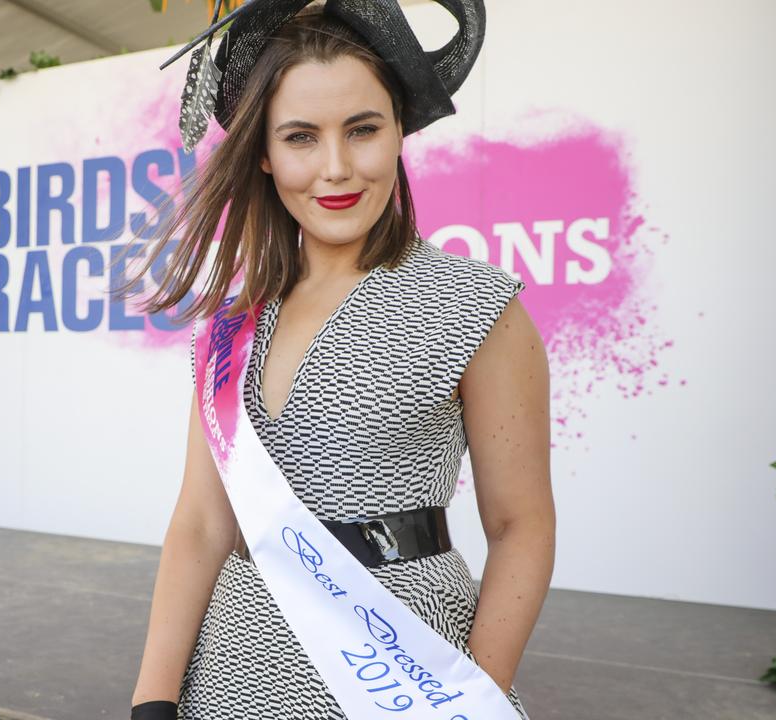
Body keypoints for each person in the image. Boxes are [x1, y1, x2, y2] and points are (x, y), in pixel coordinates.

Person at [118, 2, 555, 718]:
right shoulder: (231, 328)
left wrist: (473, 693)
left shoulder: (476, 305)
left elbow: (522, 527)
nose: (336, 168)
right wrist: (154, 701)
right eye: (300, 138)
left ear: (399, 131)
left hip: (405, 677)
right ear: (264, 152)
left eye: (362, 130)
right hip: (232, 673)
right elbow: (200, 525)